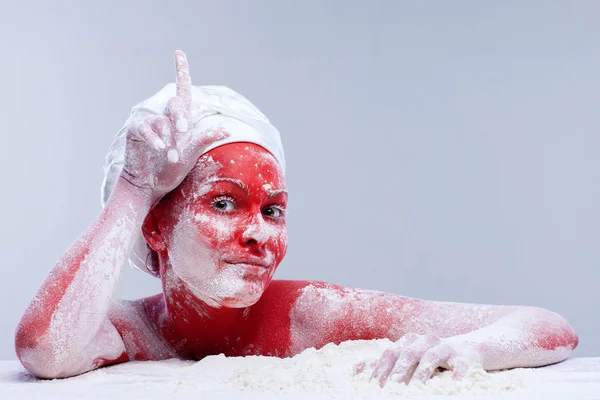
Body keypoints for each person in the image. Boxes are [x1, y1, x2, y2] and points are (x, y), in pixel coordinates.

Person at [15, 51, 578, 386]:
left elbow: (549, 325)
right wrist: (134, 190)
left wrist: (474, 351)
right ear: (156, 228)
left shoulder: (309, 315)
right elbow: (45, 349)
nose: (260, 234)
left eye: (274, 210)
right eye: (224, 203)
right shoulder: (126, 331)